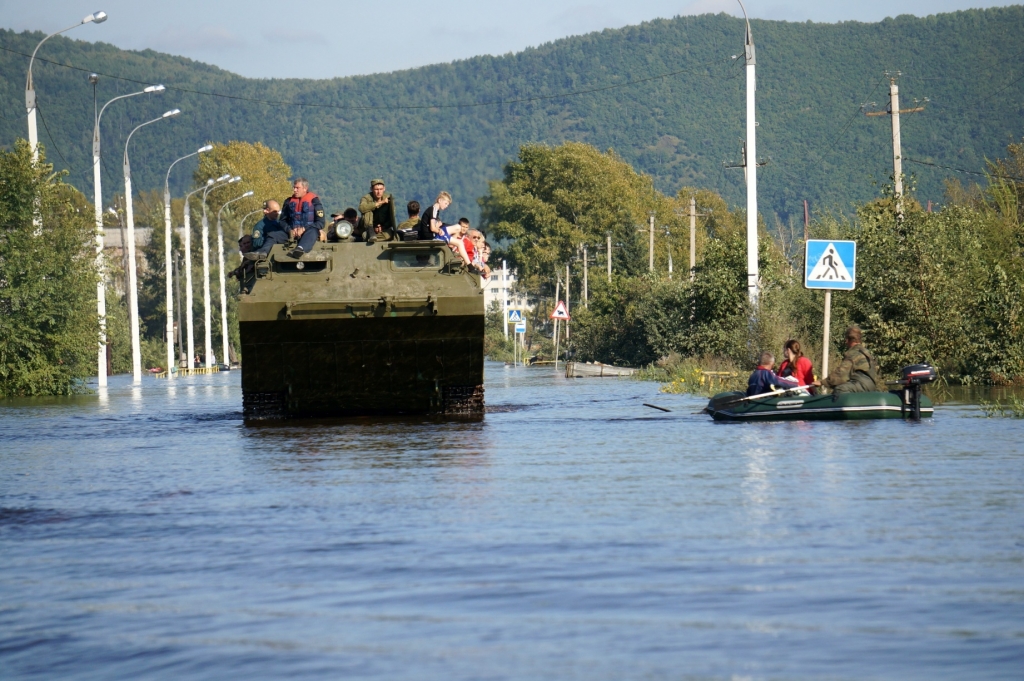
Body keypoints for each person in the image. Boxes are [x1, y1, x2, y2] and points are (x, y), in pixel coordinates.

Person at [819, 325, 882, 394]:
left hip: (861, 385)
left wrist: (823, 382)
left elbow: (841, 374)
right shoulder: (865, 352)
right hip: (870, 386)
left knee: (840, 390)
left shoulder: (854, 353)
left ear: (847, 339)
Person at [280, 177, 325, 259]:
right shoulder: (288, 202)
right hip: (291, 233)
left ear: (305, 188)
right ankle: (263, 252)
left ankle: (300, 249)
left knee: (313, 231)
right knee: (272, 235)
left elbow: (320, 223)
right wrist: (289, 230)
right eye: (294, 187)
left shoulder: (314, 201)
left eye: (297, 188)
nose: (294, 190)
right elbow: (282, 221)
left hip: (308, 232)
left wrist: (304, 228)